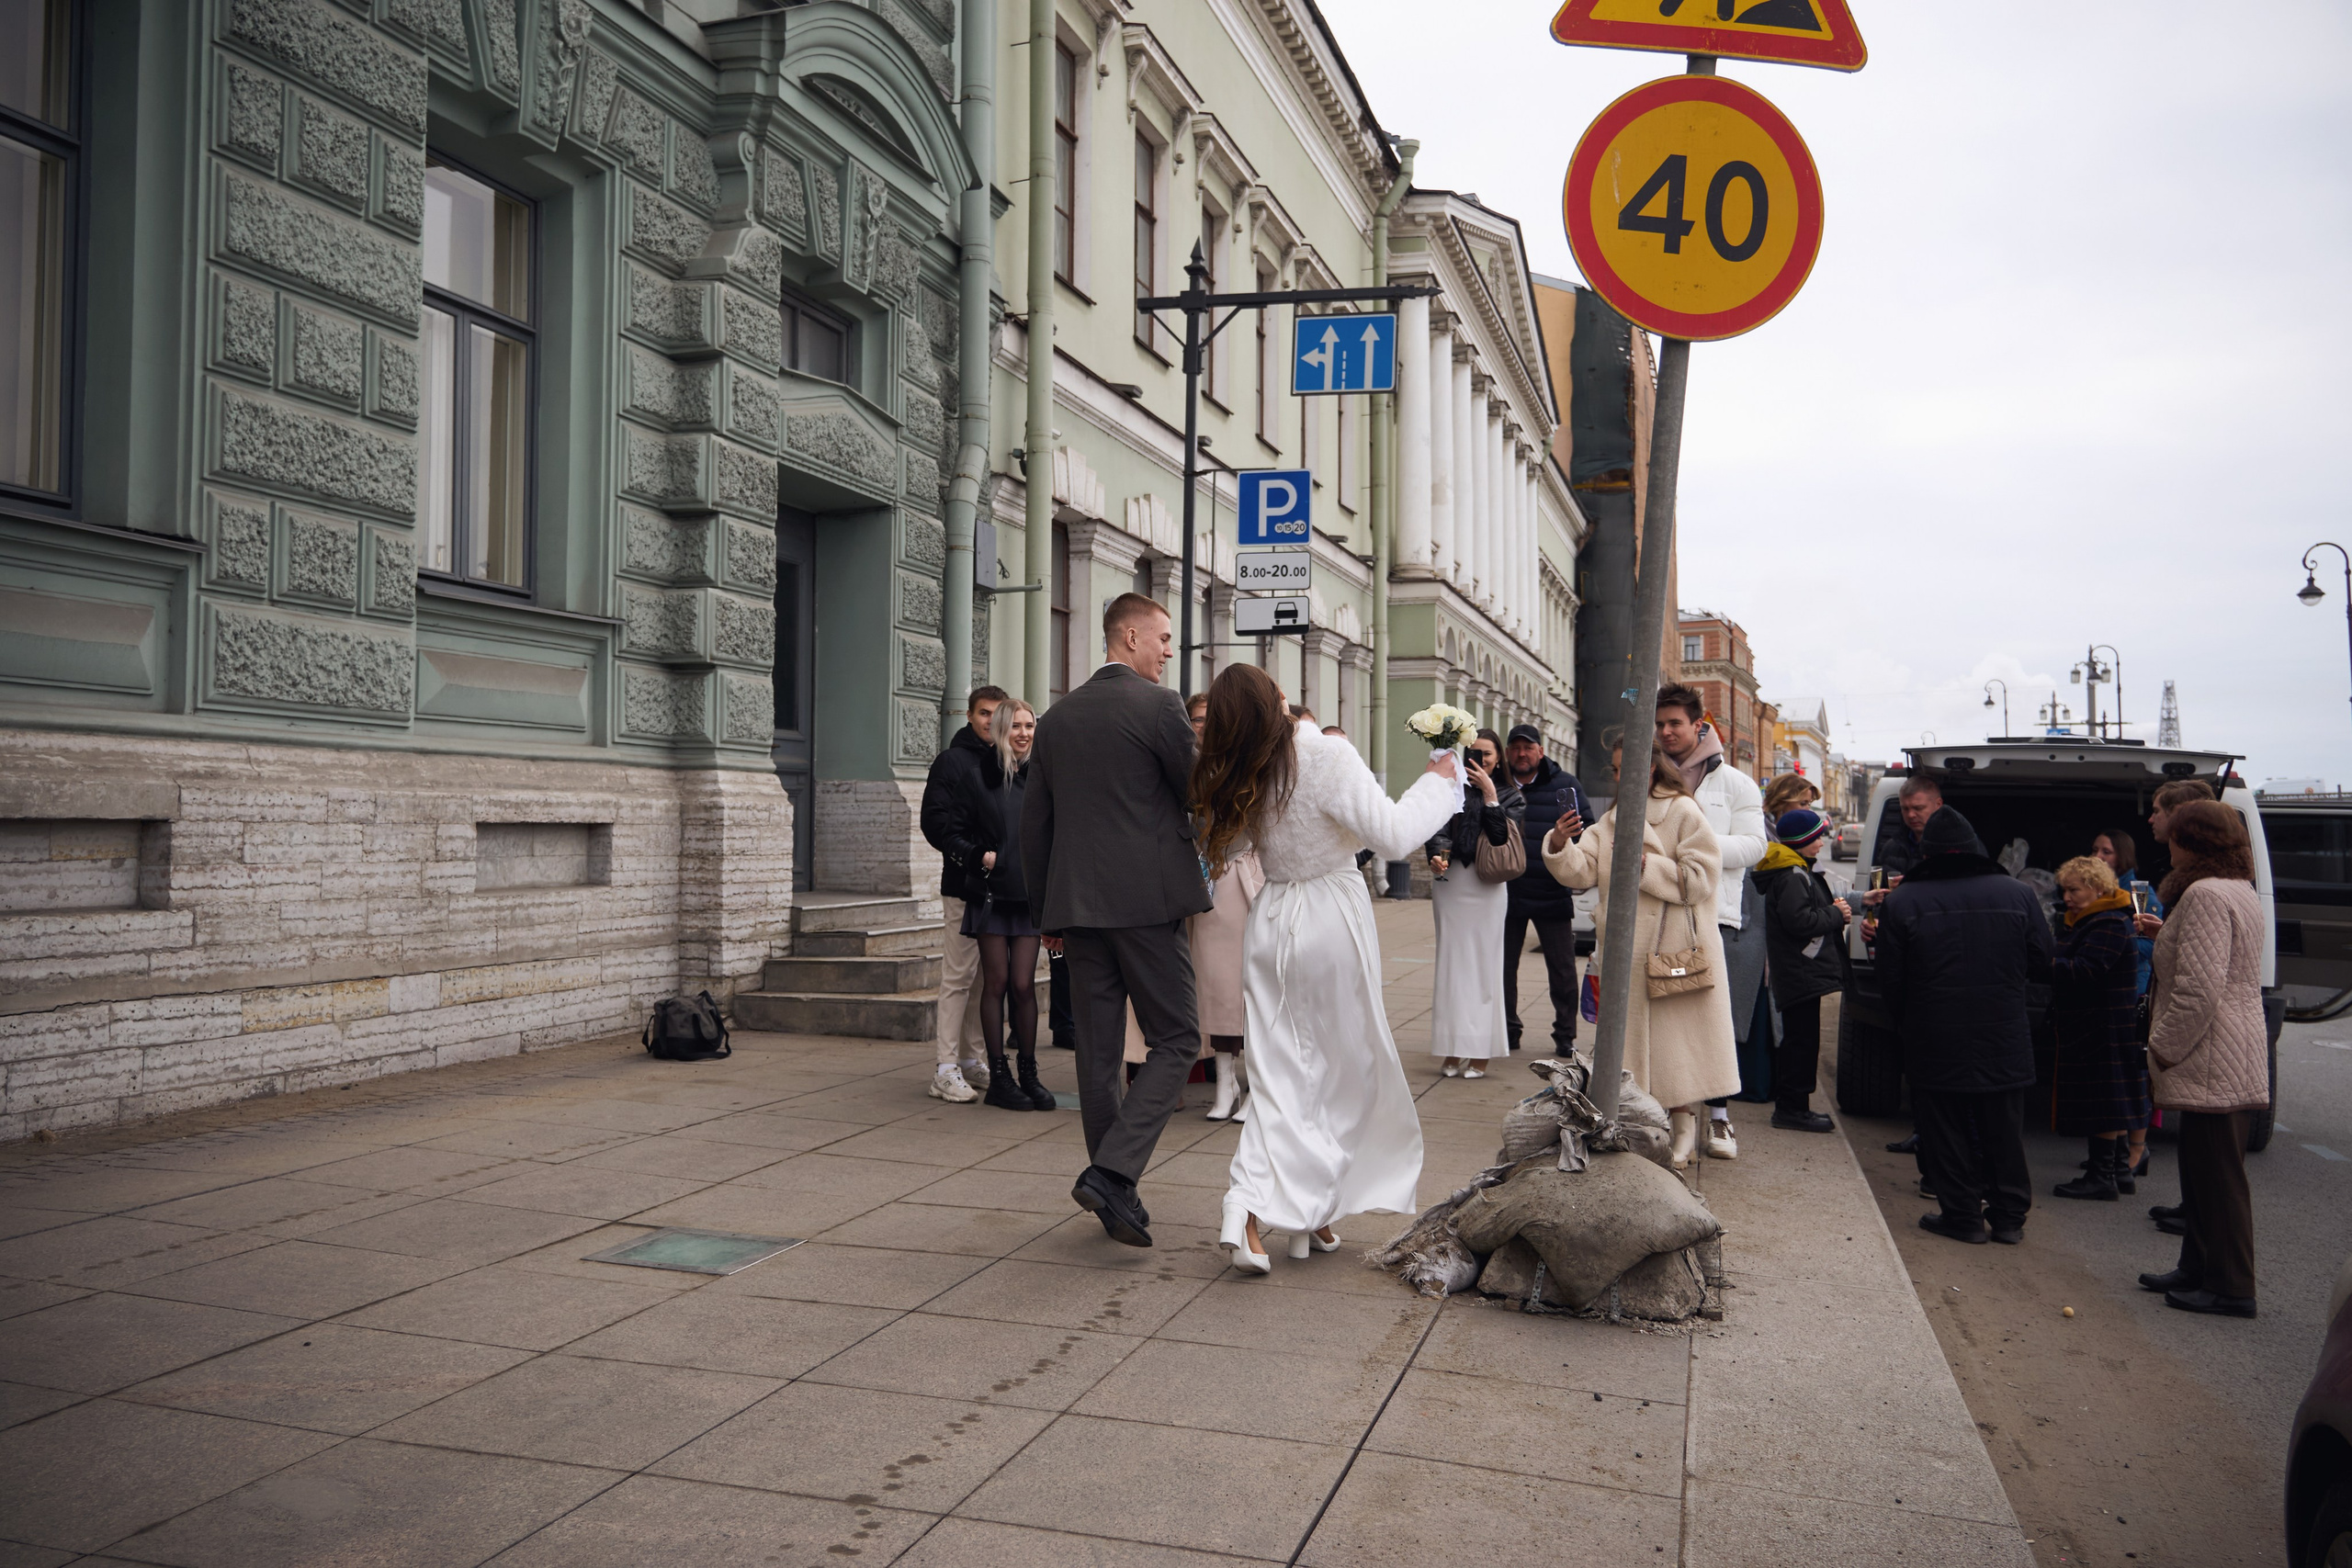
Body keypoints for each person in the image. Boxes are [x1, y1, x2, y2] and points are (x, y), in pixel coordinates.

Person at [1193, 664, 1457, 1273]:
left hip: (1273, 917)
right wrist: (1440, 782)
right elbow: (1392, 835)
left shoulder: (1242, 769)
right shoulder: (1325, 754)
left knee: (1283, 1069)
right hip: (1330, 916)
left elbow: (1227, 849)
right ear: (1279, 699)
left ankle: (1309, 1211)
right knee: (1340, 1070)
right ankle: (1254, 1202)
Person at [1023, 593, 1214, 1247]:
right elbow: (1196, 793)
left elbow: (1035, 825)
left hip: (1077, 909)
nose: (1168, 649)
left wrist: (1046, 912)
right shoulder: (1158, 707)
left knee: (1099, 1054)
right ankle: (1112, 1170)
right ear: (1128, 636)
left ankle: (1115, 1192)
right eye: (1162, 637)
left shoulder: (1056, 718)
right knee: (1179, 1037)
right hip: (1148, 904)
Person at [1542, 740, 1740, 1168]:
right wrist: (1560, 842)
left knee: (1679, 1047)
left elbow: (1702, 878)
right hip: (1625, 955)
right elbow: (1581, 871)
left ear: (1649, 769)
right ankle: (1644, 1125)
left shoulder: (1683, 813)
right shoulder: (1612, 821)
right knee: (1628, 1050)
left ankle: (1684, 1126)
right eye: (1614, 769)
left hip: (1674, 952)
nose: (1618, 776)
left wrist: (1646, 864)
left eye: (1624, 767)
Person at [1876, 806, 2052, 1245]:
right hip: (2003, 1031)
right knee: (2004, 1128)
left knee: (1945, 1129)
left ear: (1927, 853)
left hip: (1934, 1033)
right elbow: (2044, 960)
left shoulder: (1903, 901)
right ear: (1975, 847)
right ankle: (2010, 1218)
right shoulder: (2017, 894)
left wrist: (1907, 1024)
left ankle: (1963, 1217)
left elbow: (1890, 981)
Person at [2136, 800, 2268, 1317]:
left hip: (2210, 1049)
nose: (2165, 842)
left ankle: (2233, 1287)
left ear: (2190, 843)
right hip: (2229, 1045)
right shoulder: (2238, 888)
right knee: (2203, 1170)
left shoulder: (2207, 894)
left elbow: (2199, 990)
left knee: (2218, 1177)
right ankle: (2198, 1267)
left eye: (2172, 836)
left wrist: (2162, 1047)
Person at [1655, 685, 1769, 1160]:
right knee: (1664, 1019)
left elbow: (1755, 846)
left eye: (1674, 723)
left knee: (1713, 1022)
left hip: (1714, 917)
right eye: (1660, 725)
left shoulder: (1735, 784)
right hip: (1658, 913)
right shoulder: (1647, 778)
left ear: (1698, 725)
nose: (1666, 732)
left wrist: (1696, 844)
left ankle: (1719, 1120)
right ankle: (1662, 1116)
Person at [955, 700, 1057, 1113]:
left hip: (1029, 897)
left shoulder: (1042, 778)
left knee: (1023, 985)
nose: (1023, 733)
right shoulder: (978, 776)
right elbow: (954, 831)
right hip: (992, 896)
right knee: (995, 984)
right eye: (1015, 725)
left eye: (1029, 726)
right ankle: (999, 1077)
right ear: (1000, 729)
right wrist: (981, 854)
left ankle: (1028, 1073)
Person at [917, 684, 1008, 1102]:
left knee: (985, 980)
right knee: (957, 978)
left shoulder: (1010, 762)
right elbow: (935, 824)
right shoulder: (951, 763)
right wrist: (976, 858)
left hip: (1002, 890)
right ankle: (945, 1067)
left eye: (997, 713)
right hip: (964, 887)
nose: (990, 720)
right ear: (970, 716)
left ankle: (972, 1061)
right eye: (984, 713)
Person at [2046, 854, 2147, 1200]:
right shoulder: (2100, 919)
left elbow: (2086, 970)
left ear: (2097, 888)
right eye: (2065, 890)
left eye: (2073, 890)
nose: (2067, 897)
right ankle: (2118, 1171)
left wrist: (2047, 964)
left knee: (2104, 1102)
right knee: (2114, 1099)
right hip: (2104, 1023)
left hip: (2102, 1025)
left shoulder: (2107, 923)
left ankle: (2101, 1177)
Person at [1426, 728, 1524, 1078]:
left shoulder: (1511, 795)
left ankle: (1481, 1052)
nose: (1481, 759)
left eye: (1488, 754)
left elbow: (1501, 836)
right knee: (1451, 968)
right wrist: (1436, 855)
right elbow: (1436, 827)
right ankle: (1452, 1049)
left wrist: (1490, 795)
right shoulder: (1451, 788)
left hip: (1487, 887)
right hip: (1451, 884)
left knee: (1484, 969)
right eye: (1475, 752)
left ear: (1498, 759)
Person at [1189, 692, 1262, 1120]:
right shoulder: (1195, 765)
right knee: (1215, 985)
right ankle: (1224, 1083)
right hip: (1208, 877)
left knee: (1253, 987)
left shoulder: (1254, 762)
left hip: (1247, 875)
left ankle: (1257, 1085)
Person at [1751, 807, 1849, 1133]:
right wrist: (1837, 915)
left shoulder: (1794, 870)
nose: (1822, 841)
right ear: (1802, 840)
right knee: (1801, 1043)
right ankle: (1792, 1109)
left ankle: (1794, 1106)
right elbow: (1800, 922)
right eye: (1816, 836)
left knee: (1800, 1040)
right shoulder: (1793, 875)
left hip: (1798, 971)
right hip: (1800, 971)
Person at [1499, 725, 1592, 1057]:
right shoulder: (1500, 784)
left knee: (1564, 971)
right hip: (1506, 893)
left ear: (1541, 751)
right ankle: (1508, 1031)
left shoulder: (1565, 784)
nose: (1522, 754)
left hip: (1552, 891)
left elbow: (1588, 832)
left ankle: (1565, 1036)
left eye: (1528, 747)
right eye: (1516, 748)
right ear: (1508, 752)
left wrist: (1567, 841)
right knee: (1504, 969)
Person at [2091, 827, 2162, 1185]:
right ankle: (2117, 1155)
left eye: (2106, 852)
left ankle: (2137, 1149)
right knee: (2113, 1079)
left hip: (2131, 994)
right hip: (2105, 994)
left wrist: (2113, 946)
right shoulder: (2097, 890)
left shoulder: (2139, 894)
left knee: (2132, 1077)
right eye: (2095, 851)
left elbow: (2154, 944)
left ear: (2123, 857)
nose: (2098, 857)